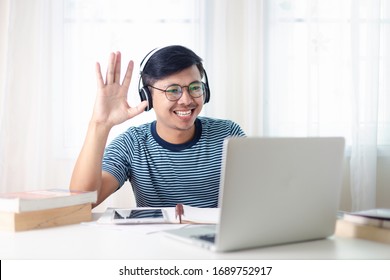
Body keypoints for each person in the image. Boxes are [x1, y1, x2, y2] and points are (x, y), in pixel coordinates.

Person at [70, 45, 245, 208]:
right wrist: (100, 124)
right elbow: (81, 203)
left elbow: (260, 193)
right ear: (148, 95)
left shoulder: (228, 134)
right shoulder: (132, 143)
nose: (186, 100)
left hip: (216, 239)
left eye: (194, 87)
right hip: (154, 241)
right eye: (173, 90)